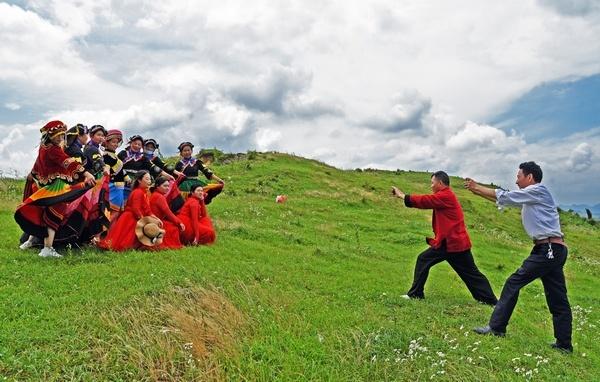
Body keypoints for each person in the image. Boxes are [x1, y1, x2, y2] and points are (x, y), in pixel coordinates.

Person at [465, 161, 573, 353]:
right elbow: (505, 200)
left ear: (529, 177)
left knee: (513, 282)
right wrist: (477, 192)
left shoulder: (538, 190)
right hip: (552, 249)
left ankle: (497, 327)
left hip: (548, 249)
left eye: (518, 176)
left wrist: (477, 186)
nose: (516, 181)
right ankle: (564, 344)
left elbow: (506, 196)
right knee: (558, 297)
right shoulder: (532, 196)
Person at [391, 171, 497, 305]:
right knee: (471, 274)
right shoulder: (446, 195)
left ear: (440, 183)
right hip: (456, 243)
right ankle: (490, 301)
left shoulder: (445, 195)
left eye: (432, 183)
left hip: (450, 243)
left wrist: (402, 195)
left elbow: (425, 201)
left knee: (424, 259)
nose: (431, 186)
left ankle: (416, 294)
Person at [15, 120, 96, 257]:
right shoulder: (53, 149)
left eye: (62, 135)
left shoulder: (44, 147)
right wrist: (86, 173)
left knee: (43, 214)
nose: (60, 138)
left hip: (46, 185)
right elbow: (67, 162)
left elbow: (38, 165)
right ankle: (47, 248)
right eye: (57, 135)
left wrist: (32, 174)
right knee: (54, 215)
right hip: (56, 186)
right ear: (49, 135)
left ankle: (31, 241)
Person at [98, 170, 162, 251]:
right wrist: (144, 222)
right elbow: (136, 210)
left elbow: (148, 210)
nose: (149, 181)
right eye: (147, 179)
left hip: (136, 217)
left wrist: (156, 218)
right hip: (131, 218)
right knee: (124, 244)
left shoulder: (144, 193)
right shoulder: (138, 192)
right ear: (139, 180)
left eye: (150, 179)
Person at [118, 135, 173, 203]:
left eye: (139, 145)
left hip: (136, 184)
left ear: (141, 146)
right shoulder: (123, 153)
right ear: (130, 143)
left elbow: (153, 167)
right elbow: (116, 165)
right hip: (122, 183)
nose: (137, 146)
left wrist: (166, 175)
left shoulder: (142, 157)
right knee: (120, 205)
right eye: (135, 143)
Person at [150, 176, 184, 249]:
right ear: (157, 186)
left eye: (168, 186)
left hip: (153, 221)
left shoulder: (155, 194)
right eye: (165, 186)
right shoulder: (159, 197)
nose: (167, 188)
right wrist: (179, 222)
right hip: (156, 223)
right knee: (173, 227)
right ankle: (170, 245)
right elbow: (168, 213)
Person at [102, 129, 126, 221]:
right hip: (113, 185)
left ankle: (109, 233)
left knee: (116, 212)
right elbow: (107, 169)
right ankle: (103, 231)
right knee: (113, 212)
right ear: (107, 143)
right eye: (113, 142)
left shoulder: (114, 155)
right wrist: (108, 169)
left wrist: (126, 177)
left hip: (119, 185)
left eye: (117, 142)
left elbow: (120, 169)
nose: (116, 144)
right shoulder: (106, 155)